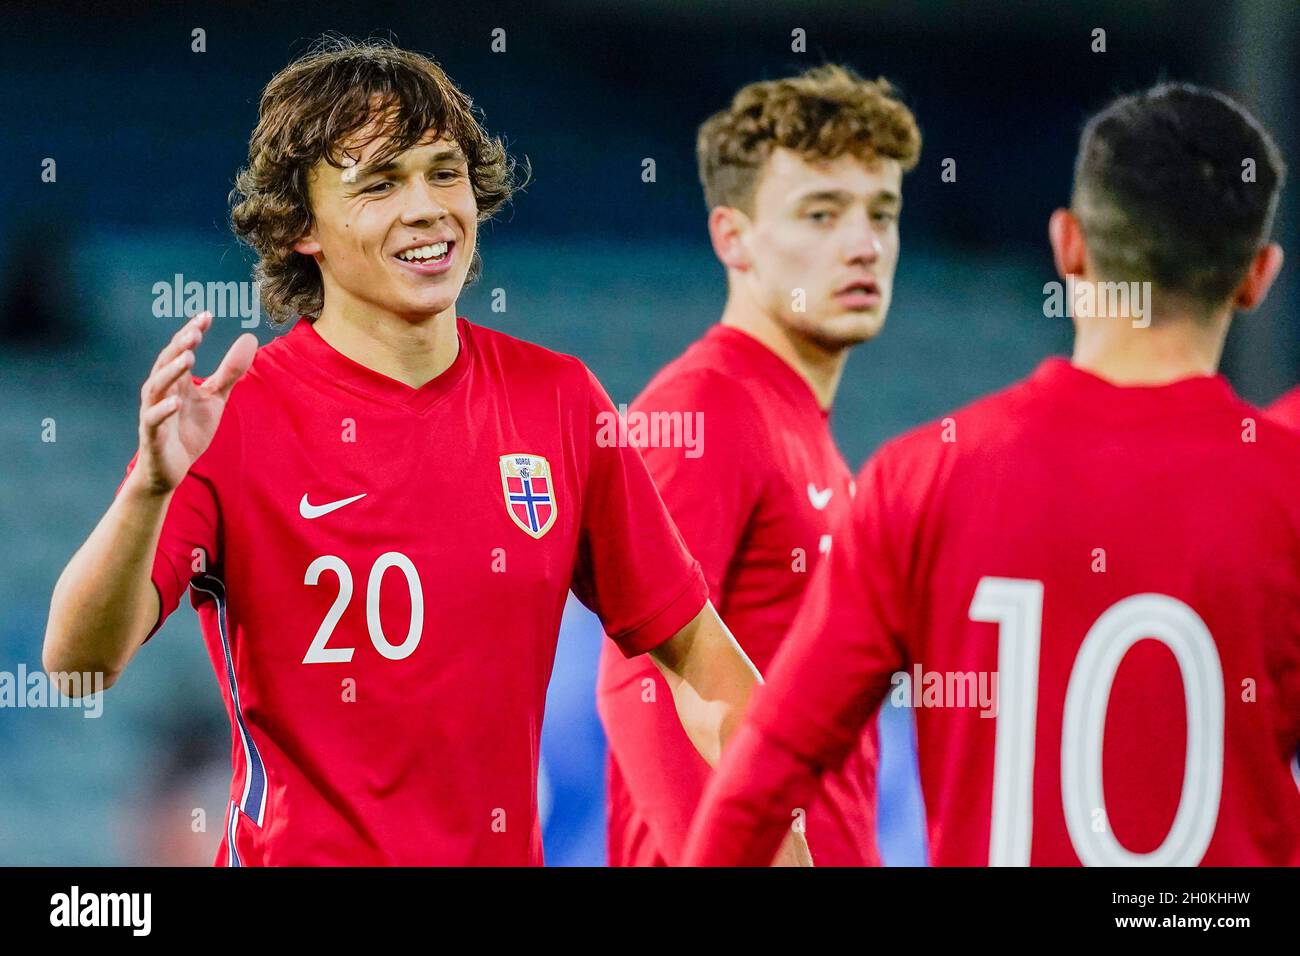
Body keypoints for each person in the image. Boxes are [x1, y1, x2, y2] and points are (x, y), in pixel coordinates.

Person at [42, 37, 805, 867]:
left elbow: (695, 652)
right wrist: (151, 487)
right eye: (379, 183)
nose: (428, 207)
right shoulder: (233, 419)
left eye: (444, 172)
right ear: (302, 227)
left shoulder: (557, 400)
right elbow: (79, 667)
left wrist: (775, 824)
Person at [683, 82, 1300, 866]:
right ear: (1258, 275)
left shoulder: (923, 477)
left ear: (1068, 245)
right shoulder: (1285, 489)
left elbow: (761, 776)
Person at [597, 65, 920, 866]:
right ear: (731, 236)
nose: (864, 243)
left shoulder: (801, 428)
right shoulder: (707, 406)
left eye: (882, 212)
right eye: (821, 212)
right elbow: (640, 681)